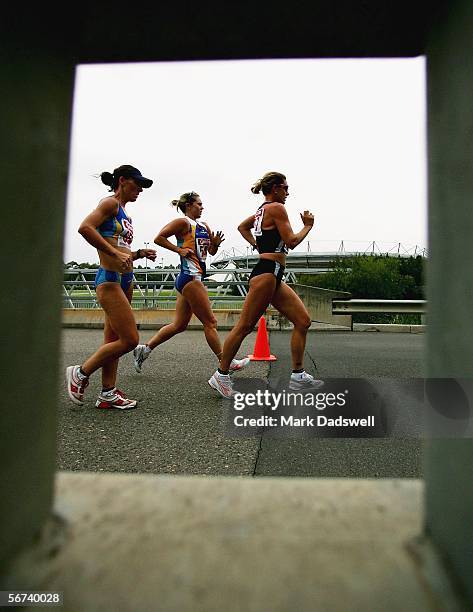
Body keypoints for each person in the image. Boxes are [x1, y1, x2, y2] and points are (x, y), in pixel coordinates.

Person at [208, 171, 324, 398]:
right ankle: (221, 375)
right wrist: (308, 226)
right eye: (286, 188)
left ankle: (298, 376)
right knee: (244, 325)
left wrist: (257, 245)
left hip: (273, 273)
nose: (288, 192)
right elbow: (291, 241)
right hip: (267, 273)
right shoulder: (276, 208)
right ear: (275, 189)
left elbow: (243, 227)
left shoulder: (261, 210)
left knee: (303, 321)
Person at [65, 164, 157, 409]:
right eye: (137, 184)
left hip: (124, 280)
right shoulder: (110, 204)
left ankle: (107, 393)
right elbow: (85, 227)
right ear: (123, 181)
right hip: (110, 280)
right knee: (129, 340)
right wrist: (114, 252)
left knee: (112, 341)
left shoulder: (124, 213)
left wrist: (138, 253)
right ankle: (81, 372)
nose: (140, 189)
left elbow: (120, 250)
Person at [132, 191, 250, 374]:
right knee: (210, 322)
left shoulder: (204, 226)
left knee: (179, 325)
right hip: (190, 276)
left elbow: (210, 252)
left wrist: (216, 244)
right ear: (188, 205)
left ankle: (144, 349)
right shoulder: (183, 223)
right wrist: (178, 250)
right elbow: (159, 238)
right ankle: (226, 361)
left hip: (191, 277)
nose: (202, 207)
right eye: (199, 204)